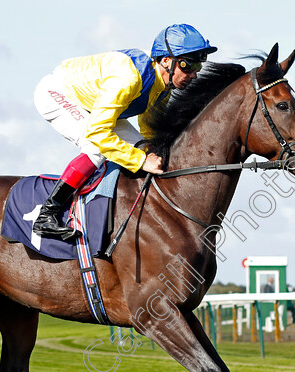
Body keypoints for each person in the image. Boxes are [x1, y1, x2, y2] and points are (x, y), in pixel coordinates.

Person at [32, 23, 217, 240]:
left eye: (198, 67)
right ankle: (47, 214)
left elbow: (148, 125)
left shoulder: (163, 83)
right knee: (97, 147)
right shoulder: (128, 79)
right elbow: (98, 132)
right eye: (188, 66)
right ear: (166, 60)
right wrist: (140, 161)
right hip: (58, 93)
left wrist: (150, 152)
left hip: (94, 103)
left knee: (140, 147)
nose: (194, 75)